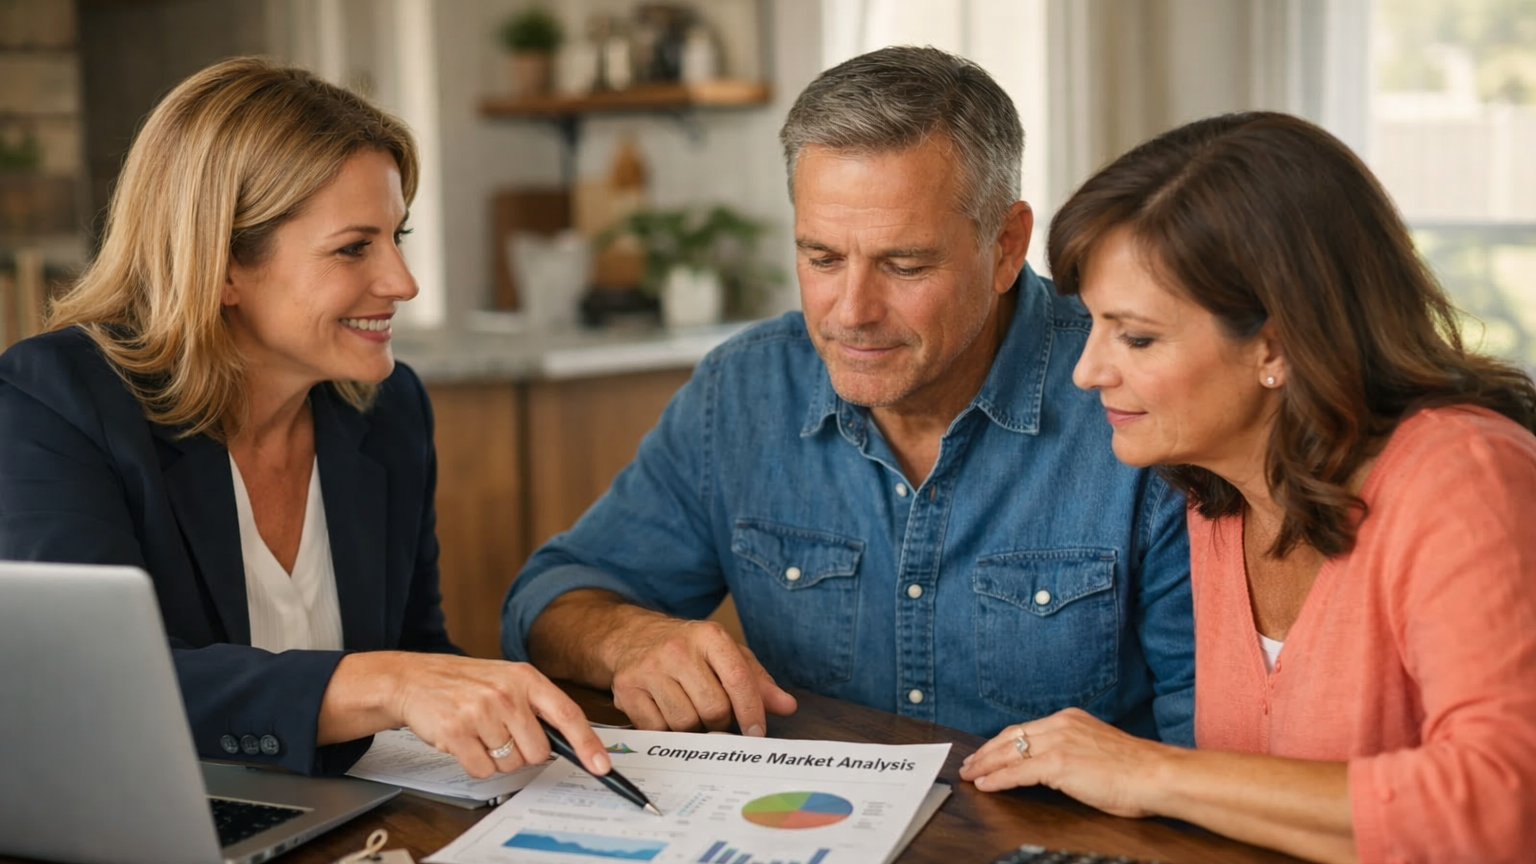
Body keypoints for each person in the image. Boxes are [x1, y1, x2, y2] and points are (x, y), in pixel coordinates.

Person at [501, 46, 1196, 744]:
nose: (853, 312)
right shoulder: (742, 393)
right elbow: (546, 600)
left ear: (1008, 245)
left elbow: (1206, 741)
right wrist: (627, 639)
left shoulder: (1131, 399)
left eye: (905, 264)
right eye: (822, 258)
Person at [960, 111, 1536, 864]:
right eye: (1093, 325)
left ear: (1276, 344)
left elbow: (1509, 806)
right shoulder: (1213, 496)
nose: (1087, 371)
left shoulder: (1465, 476)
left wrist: (1147, 772)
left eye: (1136, 338)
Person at [0, 57, 610, 782]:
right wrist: (387, 684)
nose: (403, 282)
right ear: (222, 266)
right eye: (354, 248)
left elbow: (417, 651)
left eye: (398, 237)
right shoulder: (55, 402)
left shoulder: (389, 409)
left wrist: (489, 706)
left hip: (345, 824)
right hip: (144, 833)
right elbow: (88, 685)